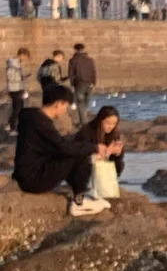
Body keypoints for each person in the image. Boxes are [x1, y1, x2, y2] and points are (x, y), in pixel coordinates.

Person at [14, 86, 116, 216]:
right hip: (33, 180)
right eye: (65, 106)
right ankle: (79, 203)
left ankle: (81, 190)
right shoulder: (41, 123)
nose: (65, 110)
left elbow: (55, 145)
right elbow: (63, 147)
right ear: (58, 104)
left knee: (75, 148)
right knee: (80, 153)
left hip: (27, 174)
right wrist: (95, 147)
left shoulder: (31, 117)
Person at [76, 105, 125, 198]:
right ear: (100, 120)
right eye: (108, 123)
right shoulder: (86, 132)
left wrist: (118, 152)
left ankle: (108, 183)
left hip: (102, 167)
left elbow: (118, 158)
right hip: (85, 165)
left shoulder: (113, 134)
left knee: (120, 163)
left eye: (114, 124)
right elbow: (81, 152)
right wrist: (107, 151)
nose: (111, 126)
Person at [67, 42, 97, 126]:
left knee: (80, 103)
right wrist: (94, 83)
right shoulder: (90, 60)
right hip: (89, 83)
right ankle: (83, 121)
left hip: (79, 84)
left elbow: (71, 74)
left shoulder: (73, 60)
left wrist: (72, 85)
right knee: (85, 103)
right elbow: (93, 72)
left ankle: (83, 122)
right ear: (83, 49)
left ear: (75, 49)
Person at [5, 47, 29, 134]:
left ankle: (9, 124)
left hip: (18, 88)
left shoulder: (17, 64)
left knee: (18, 108)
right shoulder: (13, 64)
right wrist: (20, 78)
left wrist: (23, 77)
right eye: (25, 57)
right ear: (21, 55)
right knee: (17, 109)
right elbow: (10, 77)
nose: (25, 59)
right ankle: (12, 129)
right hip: (14, 89)